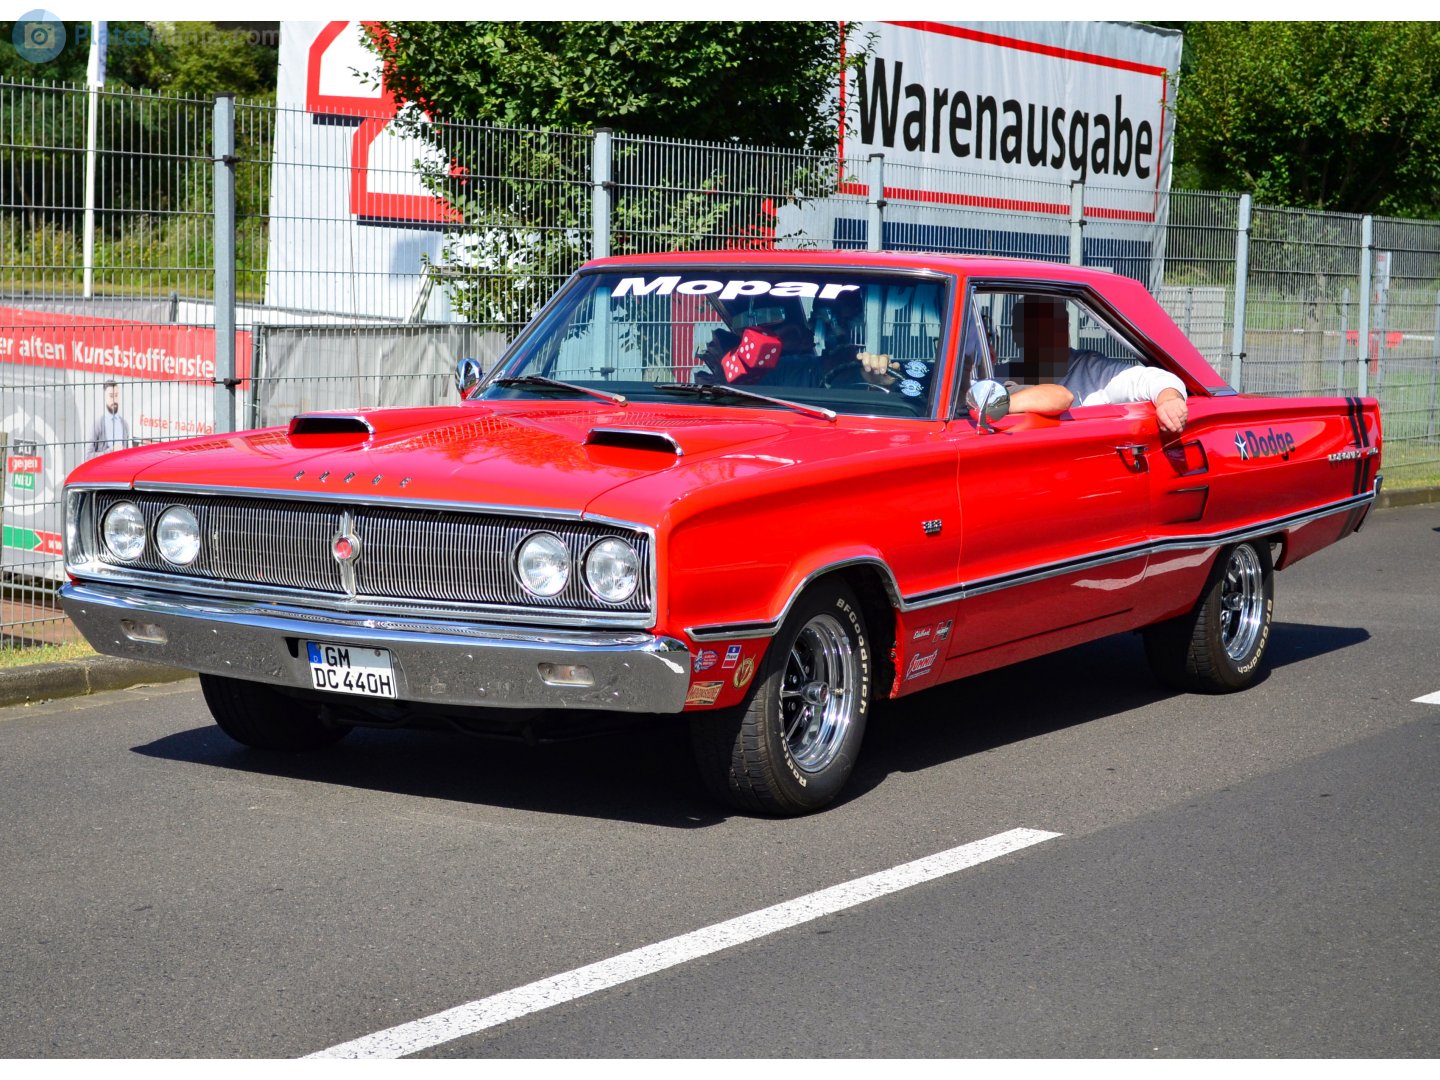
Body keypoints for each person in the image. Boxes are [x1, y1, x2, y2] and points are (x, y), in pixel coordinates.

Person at [1005, 296, 1188, 434]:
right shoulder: (1002, 375)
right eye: (1036, 329)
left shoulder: (1092, 369)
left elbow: (1154, 379)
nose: (1048, 336)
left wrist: (1169, 401)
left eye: (1056, 326)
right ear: (1016, 334)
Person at [89, 380, 131, 456]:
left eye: (116, 395)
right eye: (111, 396)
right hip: (104, 467)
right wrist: (111, 451)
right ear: (105, 397)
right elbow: (88, 456)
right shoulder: (98, 424)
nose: (114, 400)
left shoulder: (125, 425)